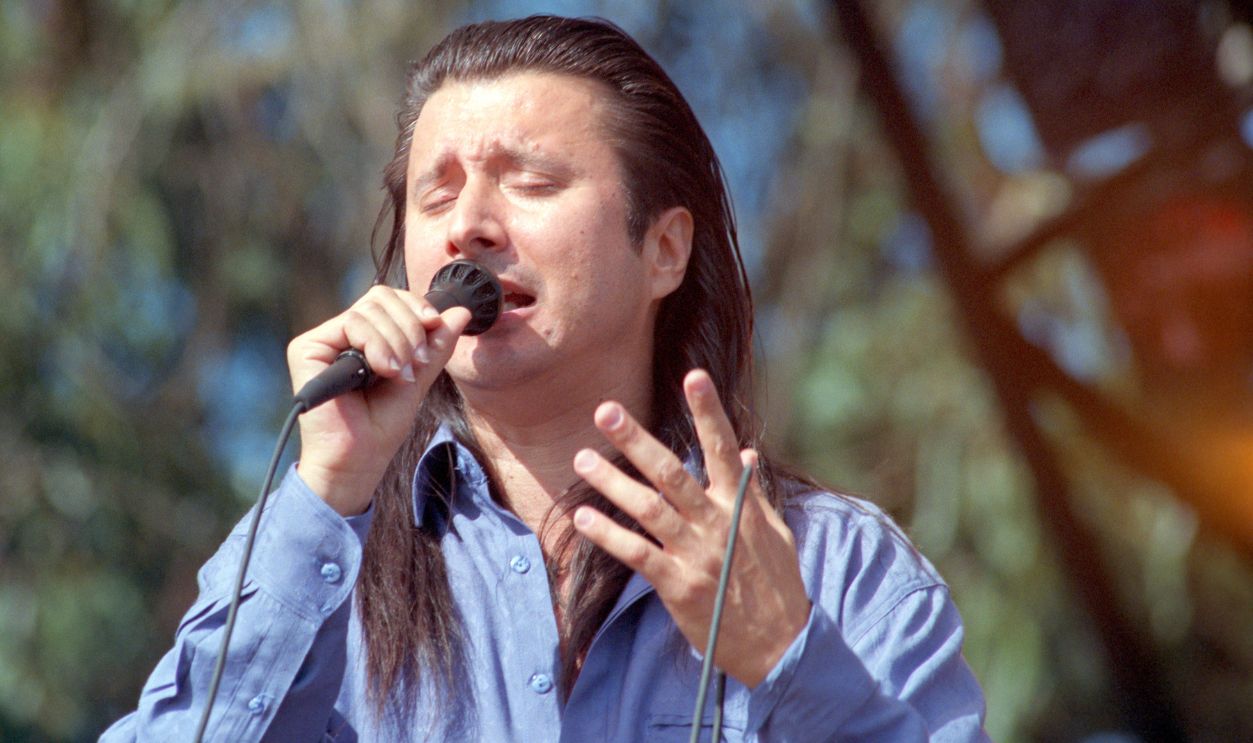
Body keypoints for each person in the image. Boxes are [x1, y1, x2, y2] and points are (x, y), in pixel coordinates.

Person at [103, 15, 988, 742]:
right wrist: (329, 487)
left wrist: (787, 658)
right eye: (435, 196)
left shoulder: (835, 566)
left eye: (528, 181)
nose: (469, 226)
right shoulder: (320, 565)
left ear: (664, 249)